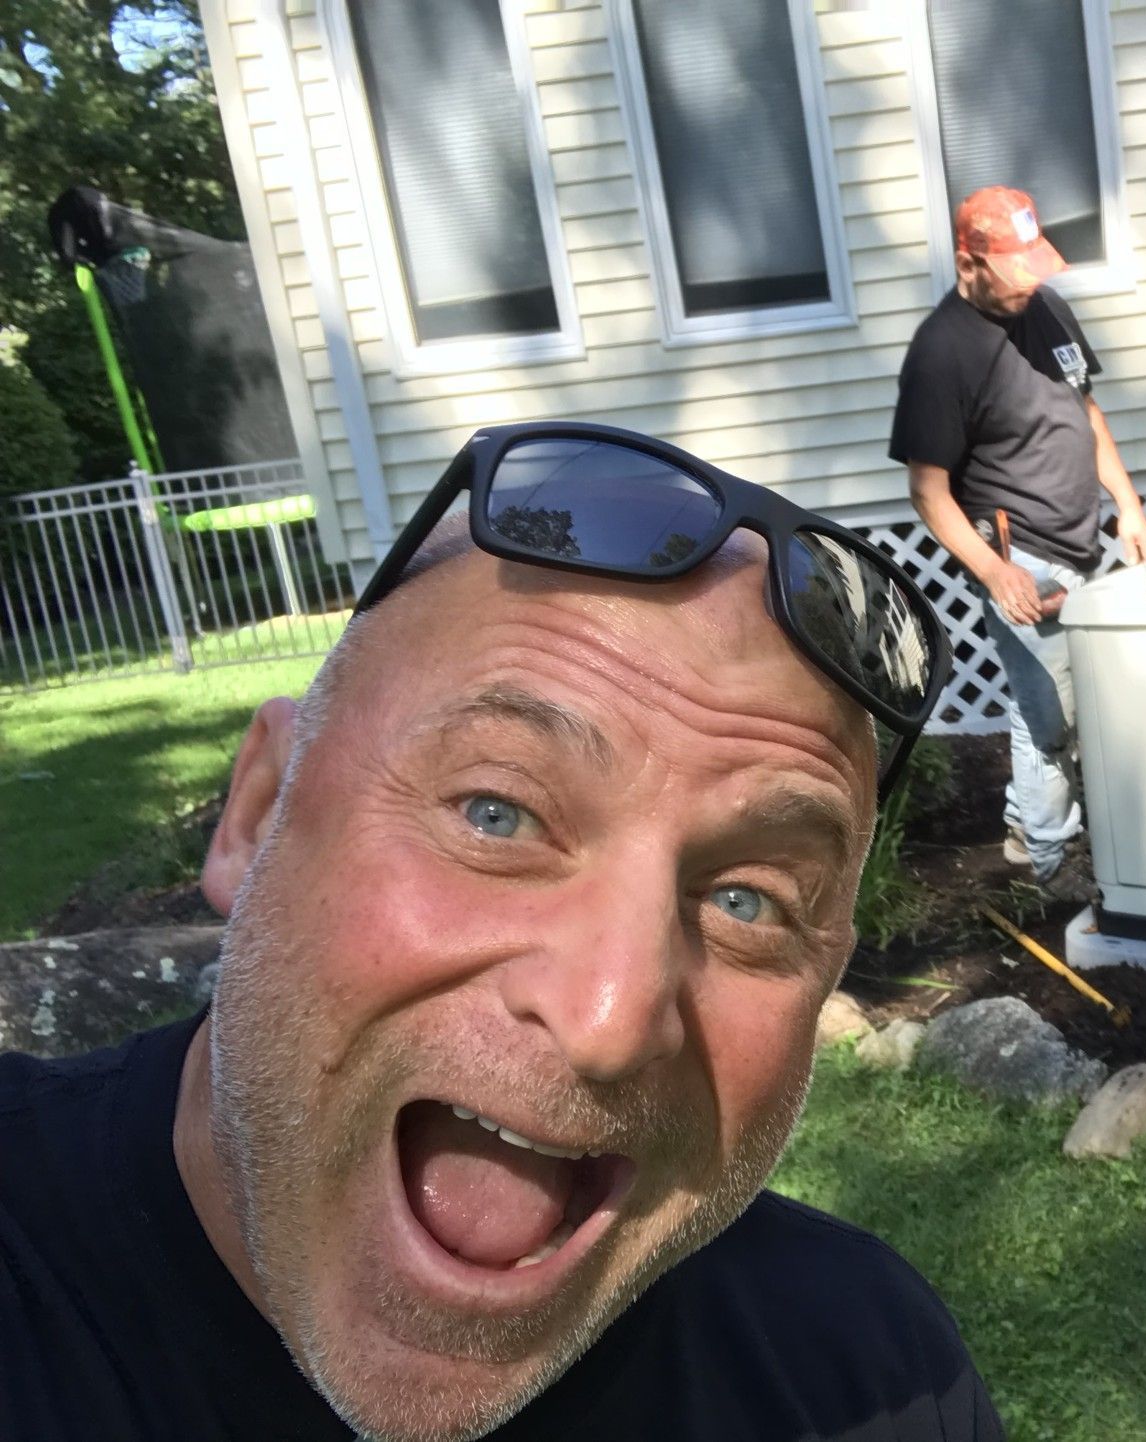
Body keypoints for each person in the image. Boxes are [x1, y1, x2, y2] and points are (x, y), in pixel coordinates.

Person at [0, 423, 1000, 1441]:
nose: (608, 1017)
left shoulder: (871, 1380)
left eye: (748, 899)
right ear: (257, 810)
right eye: (497, 812)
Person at [889, 186, 1146, 899]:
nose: (1025, 291)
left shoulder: (1046, 306)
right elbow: (928, 491)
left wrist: (1127, 506)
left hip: (1087, 538)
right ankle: (1050, 866)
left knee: (1079, 700)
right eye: (1012, 277)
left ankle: (1022, 826)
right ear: (966, 261)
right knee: (1050, 716)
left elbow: (1086, 411)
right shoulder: (942, 353)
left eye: (1033, 271)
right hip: (1021, 553)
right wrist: (990, 569)